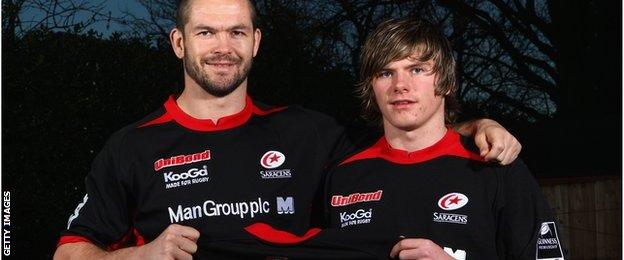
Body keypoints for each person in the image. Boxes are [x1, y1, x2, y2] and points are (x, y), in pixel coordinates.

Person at [53, 0, 522, 259]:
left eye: (237, 32)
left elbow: (404, 136)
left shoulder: (305, 131)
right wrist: (142, 257)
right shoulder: (132, 145)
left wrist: (475, 124)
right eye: (206, 32)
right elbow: (70, 255)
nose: (223, 47)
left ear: (255, 42)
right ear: (179, 42)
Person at [323, 17, 564, 259]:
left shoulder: (495, 168)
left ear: (446, 81)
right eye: (386, 73)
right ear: (371, 87)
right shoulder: (343, 176)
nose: (400, 85)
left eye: (416, 70)